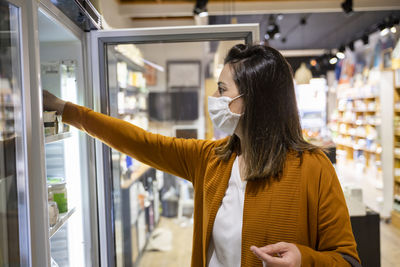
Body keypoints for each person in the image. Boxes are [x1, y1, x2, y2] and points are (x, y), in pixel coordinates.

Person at [43, 44, 361, 267]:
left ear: (252, 101)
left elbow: (346, 259)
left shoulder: (313, 169)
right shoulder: (210, 158)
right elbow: (140, 142)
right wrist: (64, 109)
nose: (214, 98)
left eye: (222, 90)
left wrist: (305, 260)